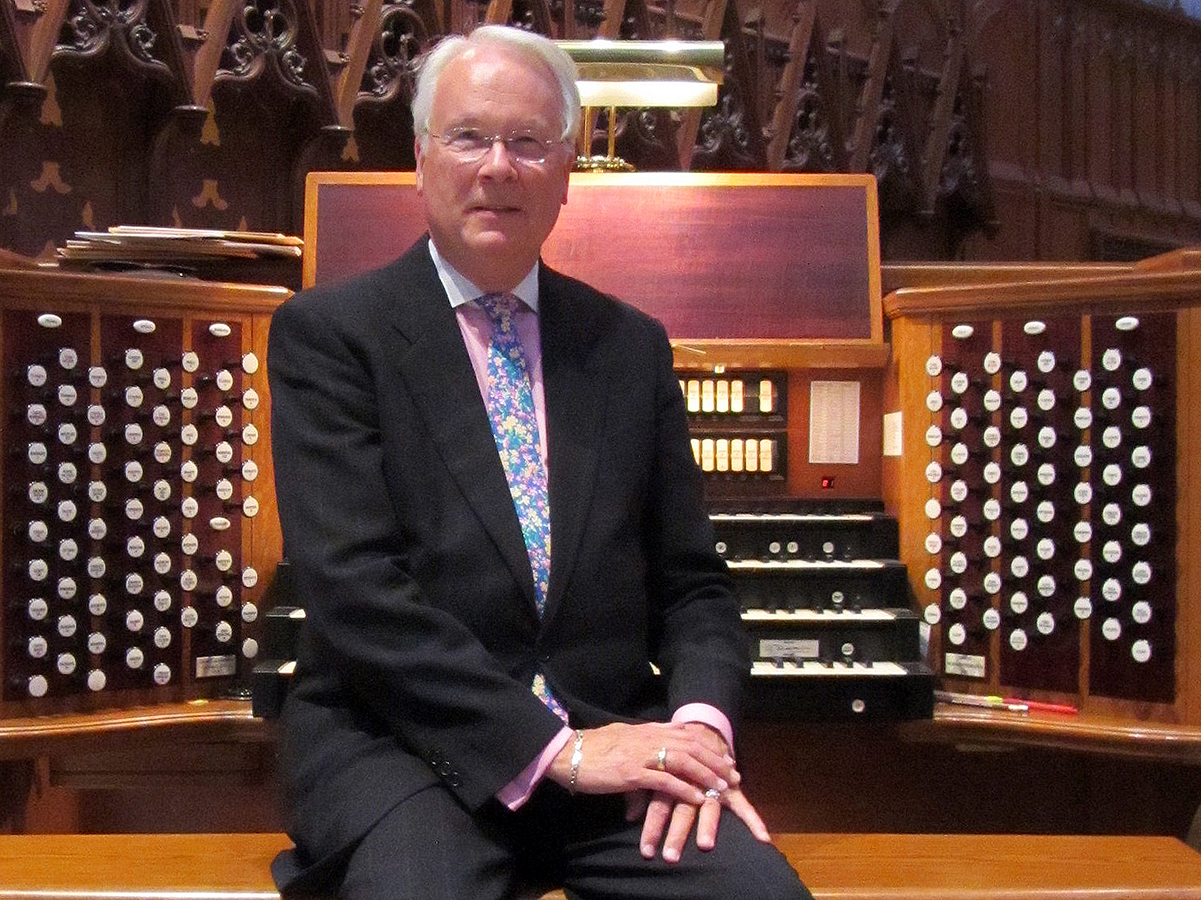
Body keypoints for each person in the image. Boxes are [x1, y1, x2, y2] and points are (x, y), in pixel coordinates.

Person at [267, 23, 810, 900]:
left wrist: (698, 726)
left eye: (527, 143)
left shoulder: (629, 346)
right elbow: (354, 591)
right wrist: (556, 751)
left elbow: (695, 587)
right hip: (408, 751)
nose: (497, 167)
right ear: (420, 157)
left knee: (759, 896)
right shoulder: (332, 336)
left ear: (565, 172)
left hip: (609, 750)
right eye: (469, 137)